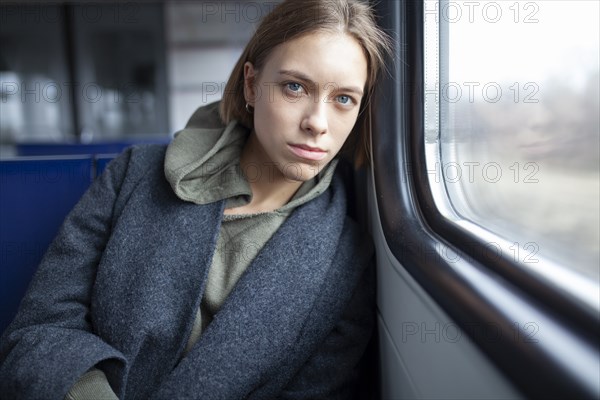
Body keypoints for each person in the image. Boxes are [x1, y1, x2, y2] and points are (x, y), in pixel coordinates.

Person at [0, 0, 392, 398]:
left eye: (343, 98)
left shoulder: (348, 262)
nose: (317, 123)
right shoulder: (134, 175)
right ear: (252, 85)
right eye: (295, 86)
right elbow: (41, 328)